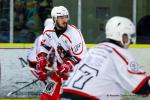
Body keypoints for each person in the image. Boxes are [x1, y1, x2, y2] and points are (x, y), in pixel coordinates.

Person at [61, 16, 150, 100]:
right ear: (121, 36)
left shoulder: (94, 49)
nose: (130, 41)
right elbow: (142, 87)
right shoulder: (119, 52)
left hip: (65, 95)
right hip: (87, 97)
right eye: (128, 36)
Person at [29, 6, 86, 100]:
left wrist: (68, 65)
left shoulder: (74, 33)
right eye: (61, 17)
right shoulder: (48, 30)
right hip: (60, 71)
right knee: (46, 97)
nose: (64, 20)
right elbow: (45, 46)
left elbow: (80, 55)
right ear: (54, 19)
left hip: (76, 73)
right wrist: (42, 57)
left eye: (66, 16)